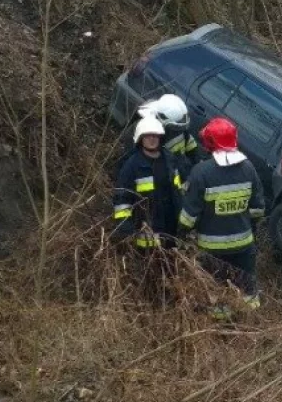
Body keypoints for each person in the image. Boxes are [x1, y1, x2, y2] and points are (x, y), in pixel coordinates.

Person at [178, 117, 266, 309]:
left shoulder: (201, 172)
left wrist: (180, 235)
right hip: (244, 246)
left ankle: (222, 326)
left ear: (209, 142)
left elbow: (188, 217)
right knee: (248, 291)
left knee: (216, 292)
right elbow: (258, 209)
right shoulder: (249, 168)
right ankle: (251, 325)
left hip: (212, 248)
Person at [111, 117, 184, 251]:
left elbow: (178, 191)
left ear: (161, 137)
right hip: (147, 232)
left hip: (171, 228)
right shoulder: (132, 165)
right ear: (140, 138)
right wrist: (126, 228)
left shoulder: (170, 159)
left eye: (155, 135)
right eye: (147, 135)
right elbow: (122, 199)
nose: (152, 139)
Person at [113, 94, 200, 182]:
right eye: (174, 128)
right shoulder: (141, 132)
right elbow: (129, 160)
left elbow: (192, 148)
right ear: (161, 120)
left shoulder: (179, 128)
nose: (177, 131)